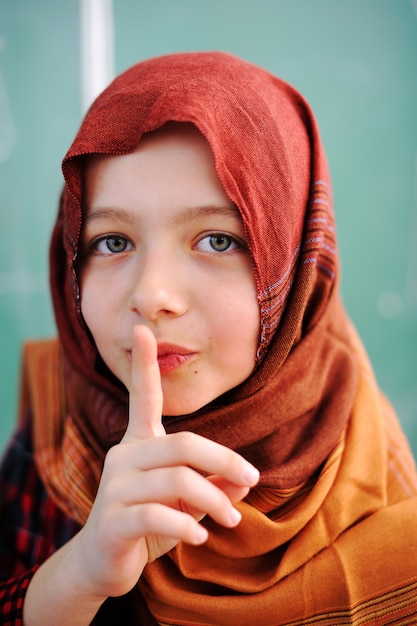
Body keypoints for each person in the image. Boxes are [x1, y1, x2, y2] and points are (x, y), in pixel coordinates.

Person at [1, 51, 416, 626]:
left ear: (293, 269)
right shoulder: (56, 425)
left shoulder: (375, 479)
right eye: (113, 242)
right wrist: (76, 576)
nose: (152, 295)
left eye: (218, 240)